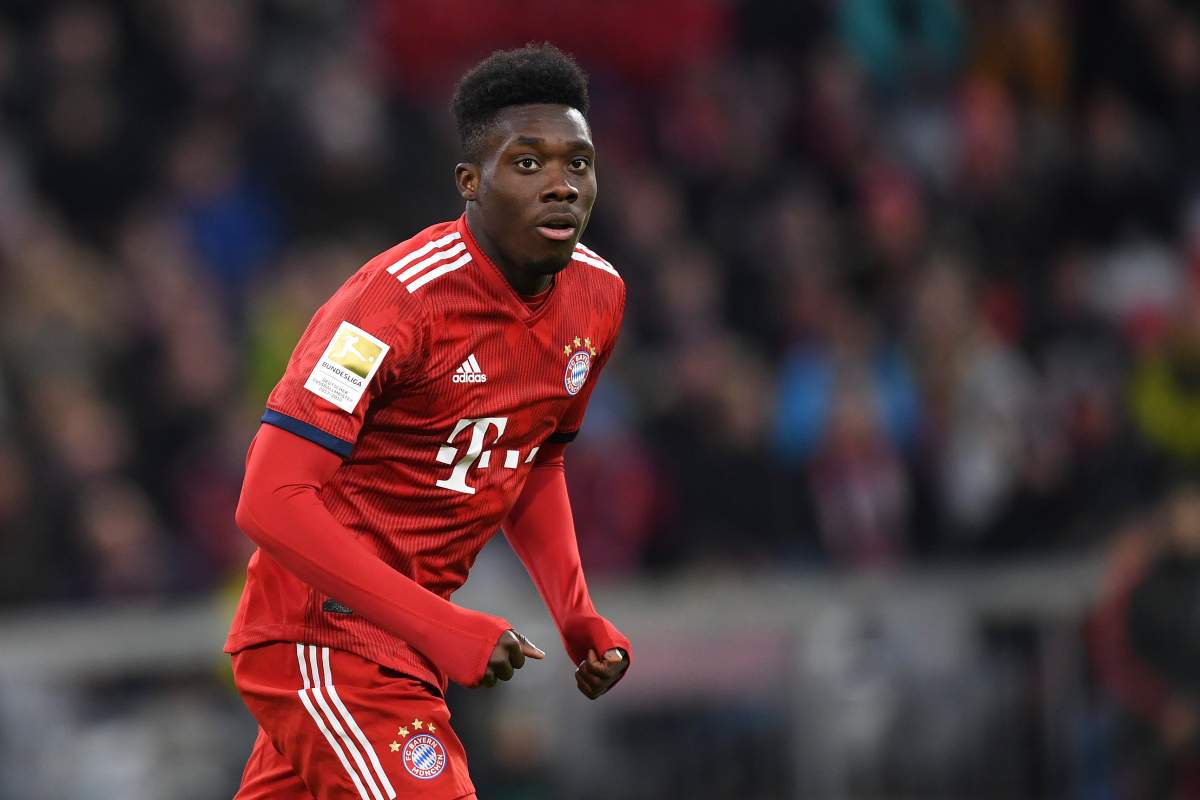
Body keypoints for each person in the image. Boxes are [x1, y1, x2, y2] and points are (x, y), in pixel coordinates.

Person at [226, 44, 631, 800]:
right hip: (323, 633)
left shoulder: (597, 297)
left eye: (577, 164)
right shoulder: (389, 306)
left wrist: (577, 615)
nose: (560, 186)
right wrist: (441, 627)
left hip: (400, 642)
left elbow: (533, 460)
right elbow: (267, 498)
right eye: (527, 164)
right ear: (470, 183)